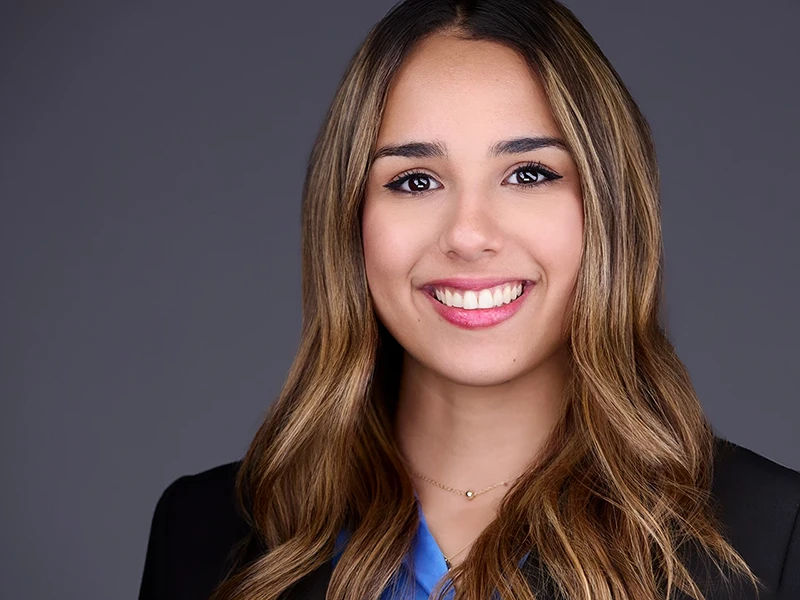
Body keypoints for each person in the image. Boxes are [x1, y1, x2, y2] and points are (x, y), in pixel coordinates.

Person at [138, 0, 800, 599]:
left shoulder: (770, 539)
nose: (468, 234)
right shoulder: (203, 533)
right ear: (351, 218)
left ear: (608, 208)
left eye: (529, 173)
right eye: (417, 180)